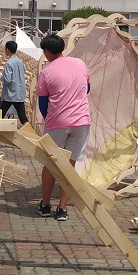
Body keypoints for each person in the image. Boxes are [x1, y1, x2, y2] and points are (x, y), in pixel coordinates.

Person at [34, 34, 91, 222]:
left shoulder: (46, 72)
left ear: (47, 51)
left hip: (57, 122)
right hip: (81, 121)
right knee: (69, 165)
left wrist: (49, 118)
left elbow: (43, 103)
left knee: (51, 163)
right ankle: (62, 209)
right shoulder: (80, 64)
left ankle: (45, 205)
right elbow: (87, 89)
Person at [0, 40, 28, 148]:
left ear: (8, 49)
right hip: (20, 94)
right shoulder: (20, 62)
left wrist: (1, 78)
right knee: (23, 118)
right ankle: (31, 137)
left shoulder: (9, 63)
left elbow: (8, 79)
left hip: (9, 95)